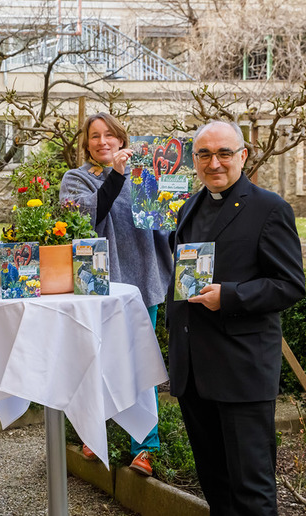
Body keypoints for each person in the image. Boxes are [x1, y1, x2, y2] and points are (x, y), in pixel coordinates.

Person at [167, 121, 305, 514]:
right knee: (214, 482)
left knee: (251, 489)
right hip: (195, 371)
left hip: (241, 371)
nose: (214, 163)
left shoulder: (269, 208)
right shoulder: (190, 206)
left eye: (224, 153)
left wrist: (231, 296)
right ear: (194, 160)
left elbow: (291, 284)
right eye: (204, 154)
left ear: (242, 155)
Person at [59, 112, 173, 475]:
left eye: (110, 135)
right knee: (96, 362)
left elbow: (163, 226)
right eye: (95, 136)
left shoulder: (144, 173)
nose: (103, 141)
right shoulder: (76, 178)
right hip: (96, 285)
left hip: (141, 280)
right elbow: (85, 219)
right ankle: (96, 435)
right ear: (86, 143)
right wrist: (118, 176)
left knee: (142, 365)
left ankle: (144, 446)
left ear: (122, 139)